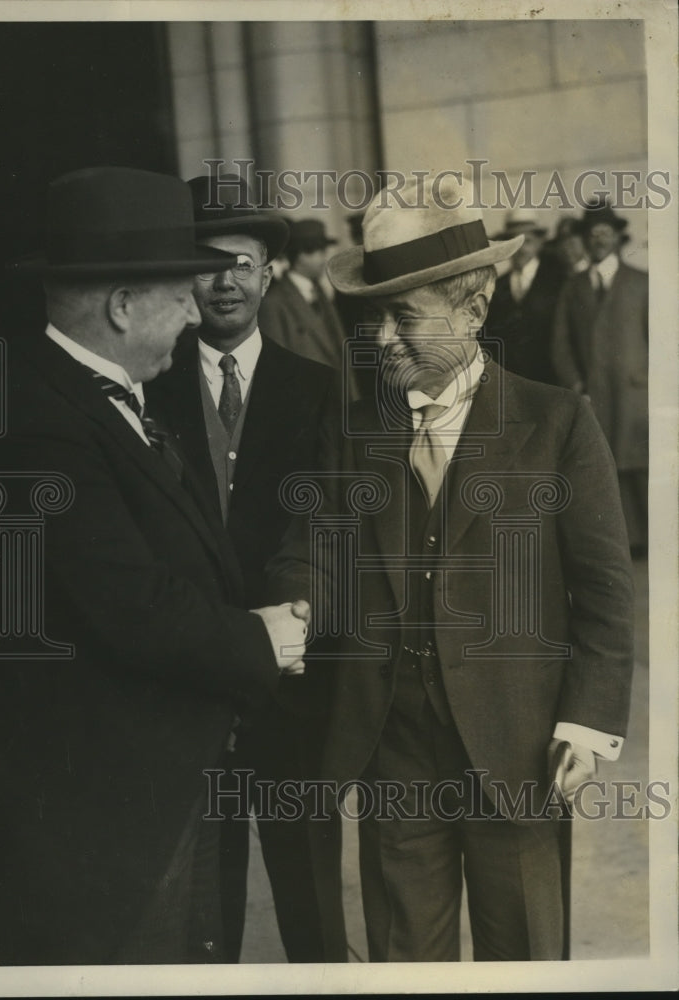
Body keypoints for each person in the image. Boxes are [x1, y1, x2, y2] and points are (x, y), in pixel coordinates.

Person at [268, 174, 634, 962]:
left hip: (519, 746)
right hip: (393, 743)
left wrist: (586, 723)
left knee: (525, 954)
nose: (382, 340)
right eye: (371, 320)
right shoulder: (354, 426)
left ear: (475, 309)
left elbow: (605, 592)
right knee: (406, 956)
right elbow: (316, 543)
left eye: (404, 317)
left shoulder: (556, 422)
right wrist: (290, 608)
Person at [0, 166, 308, 966]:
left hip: (162, 776)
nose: (197, 311)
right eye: (180, 293)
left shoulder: (91, 397)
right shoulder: (36, 424)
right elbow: (125, 600)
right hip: (104, 805)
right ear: (121, 306)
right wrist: (262, 640)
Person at [147, 173, 348, 962]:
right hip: (187, 686)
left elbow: (333, 527)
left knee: (314, 912)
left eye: (241, 263)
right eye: (205, 263)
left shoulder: (319, 391)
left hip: (294, 691)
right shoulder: (146, 391)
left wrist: (292, 627)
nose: (223, 281)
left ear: (269, 272)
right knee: (201, 909)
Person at [552, 199, 648, 556]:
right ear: (585, 240)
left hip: (638, 396)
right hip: (595, 396)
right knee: (606, 469)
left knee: (642, 466)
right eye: (593, 235)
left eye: (606, 233)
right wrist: (577, 386)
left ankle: (656, 540)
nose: (600, 240)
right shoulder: (573, 288)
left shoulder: (641, 283)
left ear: (617, 237)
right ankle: (626, 543)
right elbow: (561, 346)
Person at [484, 209, 567, 384]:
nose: (521, 250)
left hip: (551, 381)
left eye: (527, 241)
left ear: (539, 243)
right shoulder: (497, 286)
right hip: (512, 383)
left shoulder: (558, 281)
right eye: (514, 242)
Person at [259, 218, 348, 376]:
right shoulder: (273, 303)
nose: (323, 259)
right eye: (318, 252)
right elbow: (277, 367)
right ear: (299, 255)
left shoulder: (321, 294)